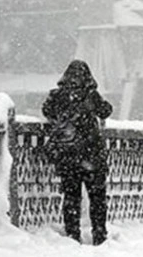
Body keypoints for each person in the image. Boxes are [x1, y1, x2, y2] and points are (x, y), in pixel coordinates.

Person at [43, 60, 113, 245]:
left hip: (68, 157)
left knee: (71, 198)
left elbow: (47, 111)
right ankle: (99, 234)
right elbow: (106, 111)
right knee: (97, 198)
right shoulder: (90, 95)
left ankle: (73, 234)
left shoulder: (57, 96)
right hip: (91, 155)